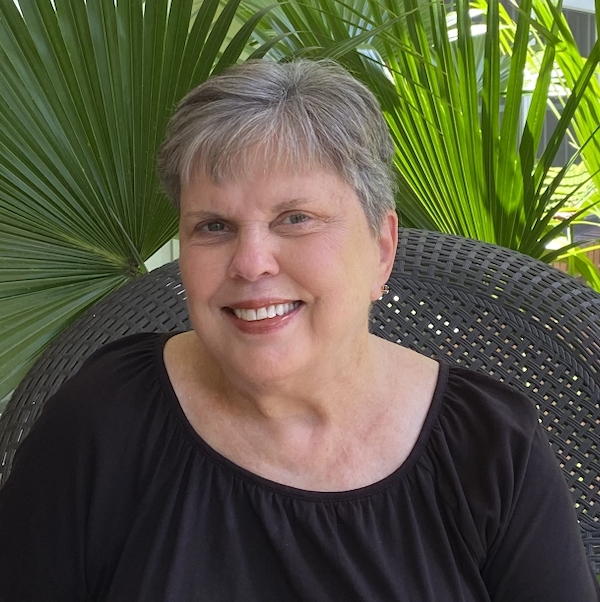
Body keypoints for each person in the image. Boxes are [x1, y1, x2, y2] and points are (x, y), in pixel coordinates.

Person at [0, 59, 598, 602]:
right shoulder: (104, 420)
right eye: (213, 226)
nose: (251, 261)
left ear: (382, 248)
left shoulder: (491, 450)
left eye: (295, 218)